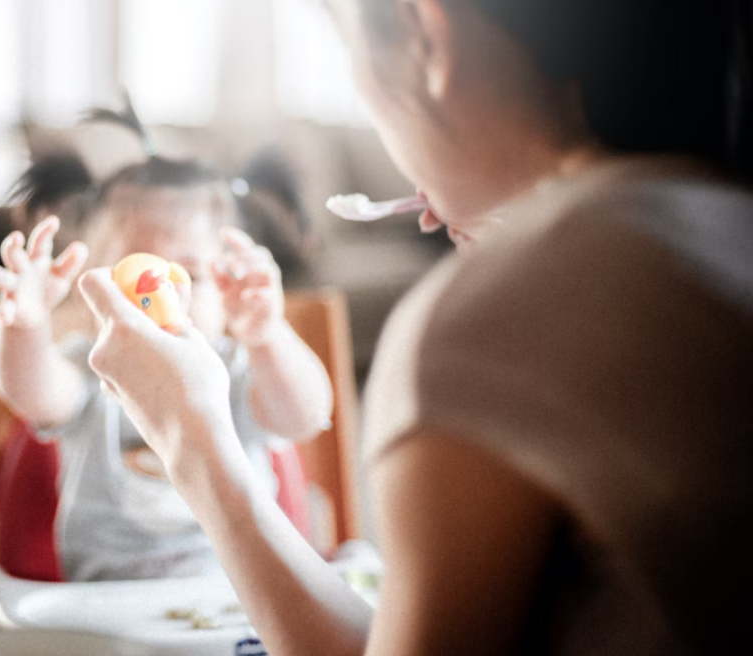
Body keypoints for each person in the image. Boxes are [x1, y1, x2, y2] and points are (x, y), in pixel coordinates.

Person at [75, 0, 753, 654]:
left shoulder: (476, 330)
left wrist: (195, 442)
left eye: (347, 53)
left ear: (422, 34)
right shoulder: (723, 225)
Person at [0, 106, 334, 582]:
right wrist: (25, 325)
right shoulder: (92, 368)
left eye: (191, 276)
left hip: (244, 600)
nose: (166, 299)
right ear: (90, 284)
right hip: (109, 606)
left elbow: (305, 415)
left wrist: (267, 334)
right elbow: (30, 390)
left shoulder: (239, 371)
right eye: (139, 277)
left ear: (227, 288)